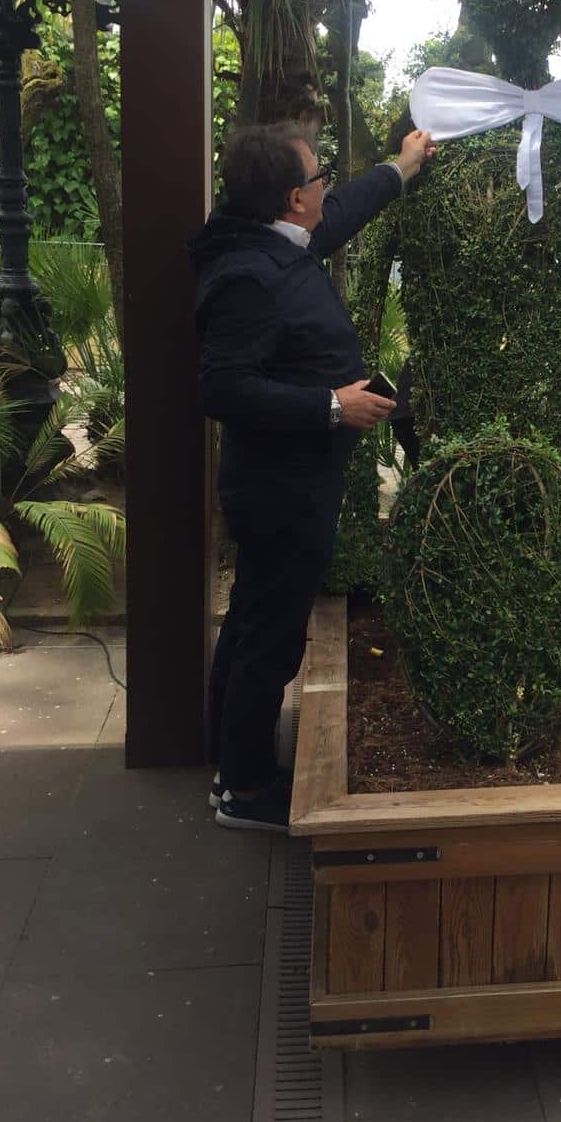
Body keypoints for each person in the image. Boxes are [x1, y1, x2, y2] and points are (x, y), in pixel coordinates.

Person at [189, 122, 433, 831]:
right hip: (278, 487)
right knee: (270, 633)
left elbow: (344, 211)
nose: (329, 185)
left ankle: (228, 758)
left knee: (253, 621)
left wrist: (403, 166)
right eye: (320, 176)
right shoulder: (248, 275)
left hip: (292, 481)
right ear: (295, 197)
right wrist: (333, 406)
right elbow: (221, 389)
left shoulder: (276, 241)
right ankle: (244, 788)